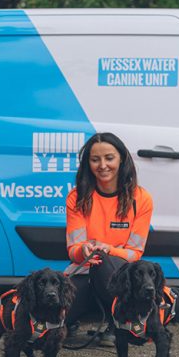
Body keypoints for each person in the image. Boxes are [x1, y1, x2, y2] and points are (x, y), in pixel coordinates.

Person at [64, 132, 153, 342]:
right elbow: (73, 250)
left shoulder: (141, 199)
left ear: (122, 159)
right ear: (88, 163)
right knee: (55, 317)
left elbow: (135, 254)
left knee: (104, 261)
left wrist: (107, 249)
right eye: (95, 160)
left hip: (120, 276)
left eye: (109, 158)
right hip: (85, 271)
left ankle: (122, 324)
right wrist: (82, 250)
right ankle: (72, 322)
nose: (102, 165)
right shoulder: (77, 197)